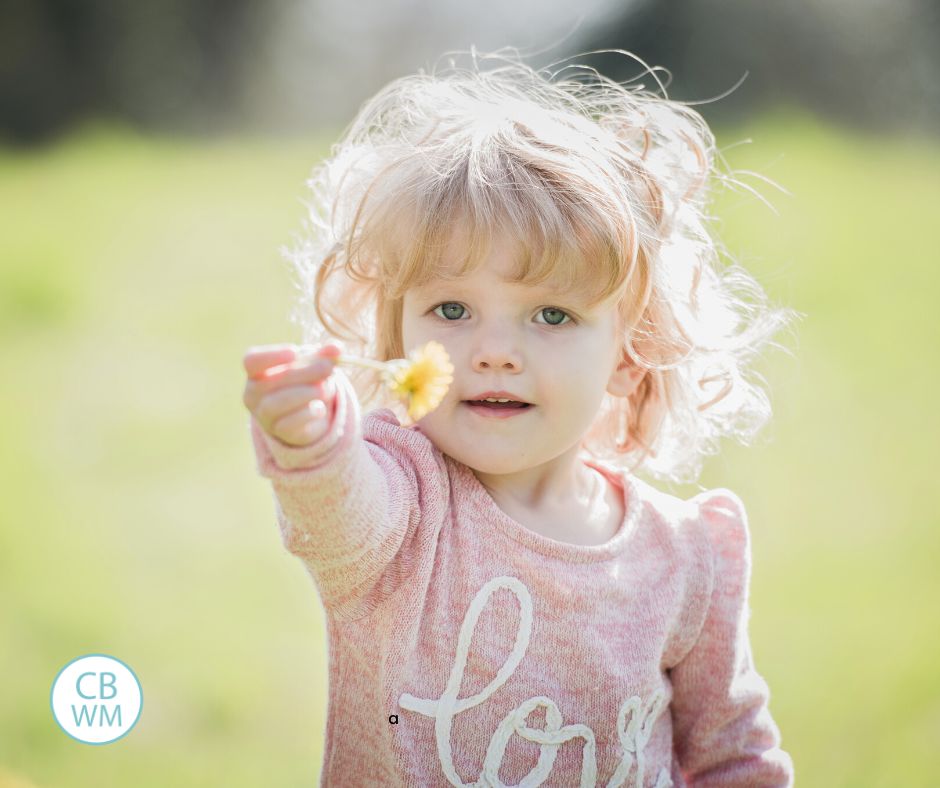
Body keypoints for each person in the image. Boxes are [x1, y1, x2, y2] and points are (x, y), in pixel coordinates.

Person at [242, 49, 797, 786]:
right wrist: (313, 442)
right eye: (451, 309)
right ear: (396, 337)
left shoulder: (685, 557)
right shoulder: (403, 505)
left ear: (628, 356)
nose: (495, 352)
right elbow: (339, 510)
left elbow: (734, 758)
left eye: (552, 314)